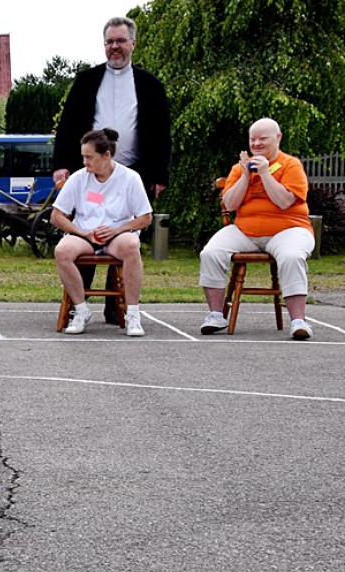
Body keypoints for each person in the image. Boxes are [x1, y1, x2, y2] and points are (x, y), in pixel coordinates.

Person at [52, 16, 171, 324]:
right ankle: (80, 305)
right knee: (89, 226)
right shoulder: (86, 80)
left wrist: (159, 174)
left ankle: (116, 309)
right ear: (104, 45)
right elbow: (67, 126)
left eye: (120, 41)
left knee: (124, 237)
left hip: (135, 171)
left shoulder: (150, 85)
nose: (115, 47)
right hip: (90, 171)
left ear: (132, 43)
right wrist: (63, 165)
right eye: (109, 42)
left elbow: (161, 132)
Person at [199, 118, 315, 339]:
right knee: (210, 253)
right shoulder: (239, 168)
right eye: (253, 139)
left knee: (291, 256)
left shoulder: (291, 165)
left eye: (263, 139)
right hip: (245, 230)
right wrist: (245, 175)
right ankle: (215, 315)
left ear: (278, 138)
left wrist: (265, 173)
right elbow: (231, 204)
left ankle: (299, 321)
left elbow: (284, 201)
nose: (257, 144)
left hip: (289, 229)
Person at [50, 129, 153, 337]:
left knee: (132, 246)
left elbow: (145, 217)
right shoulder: (78, 178)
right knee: (62, 251)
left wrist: (117, 230)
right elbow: (57, 216)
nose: (85, 162)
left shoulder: (130, 178)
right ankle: (81, 309)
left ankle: (132, 313)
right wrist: (83, 233)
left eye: (90, 157)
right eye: (83, 157)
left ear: (106, 155)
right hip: (85, 234)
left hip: (118, 234)